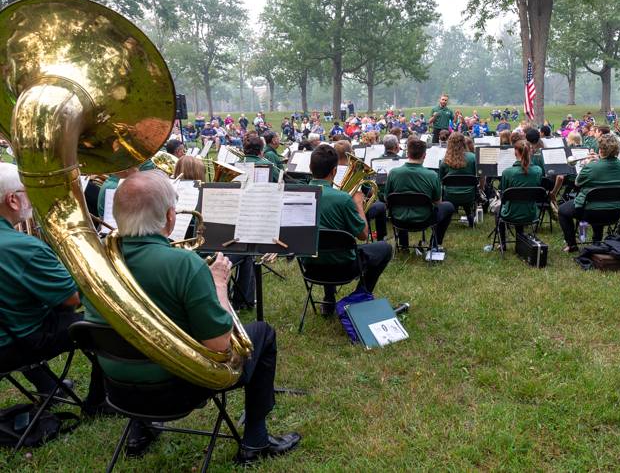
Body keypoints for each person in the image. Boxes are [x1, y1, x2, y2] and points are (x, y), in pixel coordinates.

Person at [84, 171, 300, 461]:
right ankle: (255, 441)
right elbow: (221, 347)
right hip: (179, 388)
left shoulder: (94, 265)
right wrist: (219, 284)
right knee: (263, 332)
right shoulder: (184, 264)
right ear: (171, 217)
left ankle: (139, 428)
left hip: (119, 389)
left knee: (134, 336)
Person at [0, 163, 107, 413]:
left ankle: (49, 387)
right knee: (106, 325)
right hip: (14, 345)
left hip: (8, 331)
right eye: (27, 192)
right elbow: (70, 300)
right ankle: (99, 402)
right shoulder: (23, 247)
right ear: (12, 200)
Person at [306, 145, 392, 312]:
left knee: (323, 241)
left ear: (310, 168)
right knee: (385, 248)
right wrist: (359, 204)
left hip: (310, 266)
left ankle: (329, 299)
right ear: (334, 171)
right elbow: (363, 235)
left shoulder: (296, 193)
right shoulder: (343, 199)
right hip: (343, 267)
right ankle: (359, 296)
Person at [558, 134, 620, 252]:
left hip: (589, 213)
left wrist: (587, 164)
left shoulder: (591, 166)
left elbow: (577, 182)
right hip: (615, 212)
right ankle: (597, 240)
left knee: (563, 211)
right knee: (601, 201)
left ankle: (572, 244)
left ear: (600, 150)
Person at [385, 138, 455, 249]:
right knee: (448, 206)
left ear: (407, 153)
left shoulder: (393, 173)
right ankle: (435, 244)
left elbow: (387, 199)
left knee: (400, 204)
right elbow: (438, 202)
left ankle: (403, 245)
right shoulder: (431, 175)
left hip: (398, 219)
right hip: (424, 220)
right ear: (424, 155)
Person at [495, 140, 543, 250]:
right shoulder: (538, 170)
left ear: (516, 152)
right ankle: (519, 240)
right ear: (530, 152)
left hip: (511, 213)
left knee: (498, 210)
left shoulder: (508, 172)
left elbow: (503, 193)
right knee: (520, 203)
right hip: (531, 213)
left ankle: (502, 243)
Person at [439, 132, 478, 227]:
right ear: (464, 142)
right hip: (469, 195)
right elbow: (477, 175)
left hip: (450, 195)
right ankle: (470, 217)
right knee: (467, 202)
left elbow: (440, 180)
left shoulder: (444, 160)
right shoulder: (473, 158)